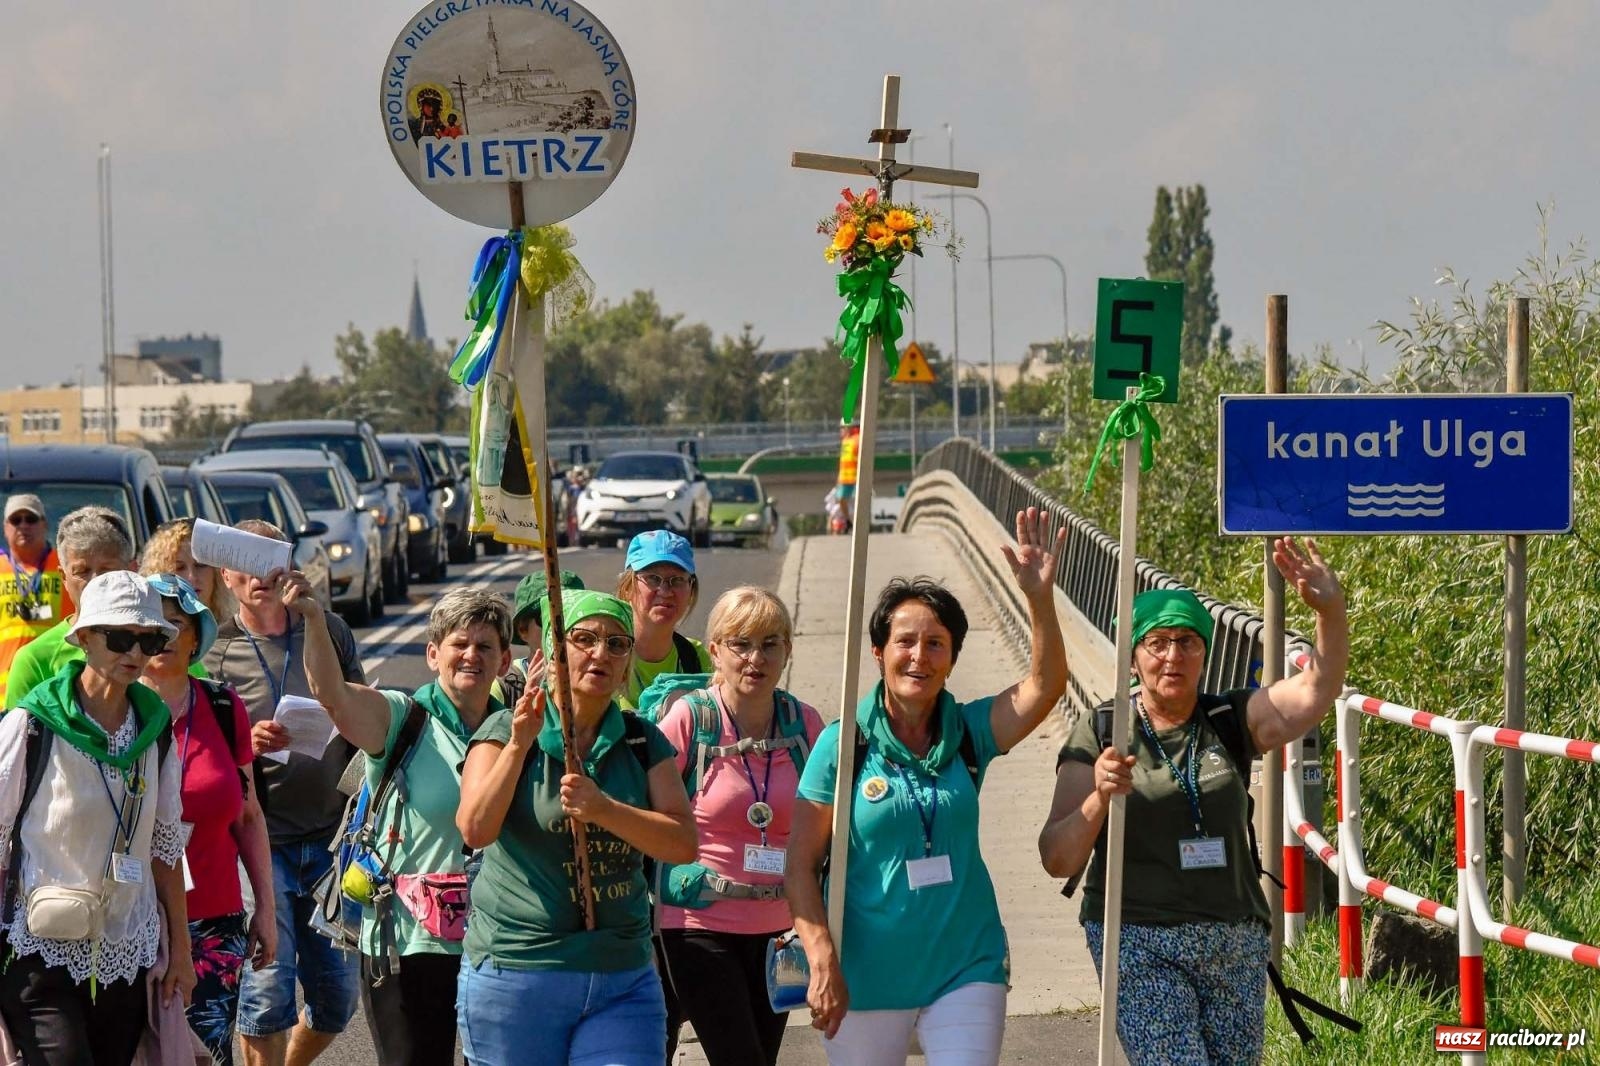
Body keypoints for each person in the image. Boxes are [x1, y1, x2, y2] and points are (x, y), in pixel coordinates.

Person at [1039, 538, 1348, 1066]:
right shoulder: (1102, 731)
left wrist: (1330, 613)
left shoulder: (1230, 717)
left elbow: (1317, 691)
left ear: (1205, 651)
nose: (1173, 656)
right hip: (1138, 937)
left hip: (1234, 938)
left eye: (1188, 642)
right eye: (1157, 642)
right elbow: (1056, 857)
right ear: (1133, 657)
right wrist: (1098, 796)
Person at [786, 508, 1067, 1065]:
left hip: (966, 966)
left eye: (936, 644)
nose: (919, 656)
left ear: (953, 658)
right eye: (905, 642)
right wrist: (821, 958)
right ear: (878, 653)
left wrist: (1038, 598)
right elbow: (799, 864)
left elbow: (1045, 685)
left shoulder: (969, 732)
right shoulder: (843, 746)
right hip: (863, 977)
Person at [456, 588, 698, 1066]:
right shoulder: (504, 729)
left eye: (616, 643)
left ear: (628, 662)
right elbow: (475, 830)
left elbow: (682, 842)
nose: (600, 653)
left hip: (622, 975)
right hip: (518, 972)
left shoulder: (641, 739)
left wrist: (604, 808)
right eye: (583, 639)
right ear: (551, 653)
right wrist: (518, 747)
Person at [291, 580, 510, 1065]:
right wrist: (312, 620)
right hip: (407, 944)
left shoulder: (516, 732)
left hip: (496, 941)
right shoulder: (402, 719)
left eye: (485, 646)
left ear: (505, 662)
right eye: (459, 643)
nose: (471, 655)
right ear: (433, 654)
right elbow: (331, 693)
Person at [0, 571, 196, 1065]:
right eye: (119, 637)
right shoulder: (32, 726)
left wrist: (182, 952)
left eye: (148, 639)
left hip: (126, 948)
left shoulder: (156, 733)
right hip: (40, 949)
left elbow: (165, 849)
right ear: (84, 637)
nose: (135, 652)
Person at [204, 520, 365, 1066]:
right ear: (226, 574)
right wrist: (243, 742)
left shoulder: (330, 630)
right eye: (244, 565)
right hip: (260, 843)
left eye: (268, 560)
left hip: (332, 836)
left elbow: (364, 709)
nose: (259, 577)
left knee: (338, 1000)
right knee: (267, 995)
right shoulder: (215, 652)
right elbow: (195, 747)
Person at [655, 587, 824, 1066]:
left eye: (771, 644)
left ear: (788, 650)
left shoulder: (804, 724)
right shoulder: (690, 719)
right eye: (741, 644)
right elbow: (650, 806)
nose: (756, 658)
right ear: (715, 650)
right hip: (697, 924)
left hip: (781, 935)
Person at [140, 572, 276, 1065]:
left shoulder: (222, 705)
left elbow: (249, 815)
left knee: (206, 1057)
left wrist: (266, 908)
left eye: (177, 624)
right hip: (134, 922)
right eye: (153, 623)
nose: (165, 636)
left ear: (197, 636)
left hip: (217, 922)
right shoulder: (116, 714)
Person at [6, 506, 137, 709]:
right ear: (63, 577)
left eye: (106, 570)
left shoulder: (159, 647)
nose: (95, 581)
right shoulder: (35, 660)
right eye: (82, 571)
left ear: (132, 571)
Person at [615, 530, 712, 710]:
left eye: (677, 580)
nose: (666, 591)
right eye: (653, 579)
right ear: (627, 587)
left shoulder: (696, 658)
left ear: (691, 590)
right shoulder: (606, 654)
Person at [0, 494, 69, 696]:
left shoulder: (65, 566)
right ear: (5, 527)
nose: (23, 526)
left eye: (30, 519)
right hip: (6, 693)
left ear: (44, 524)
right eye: (15, 520)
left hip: (54, 691)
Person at [493, 568, 584, 709]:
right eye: (548, 619)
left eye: (576, 615)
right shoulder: (503, 689)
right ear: (523, 630)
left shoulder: (602, 677)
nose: (564, 627)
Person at [142, 517, 231, 622]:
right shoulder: (150, 631)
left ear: (218, 572)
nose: (192, 577)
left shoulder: (237, 631)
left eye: (201, 565)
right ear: (161, 572)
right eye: (179, 568)